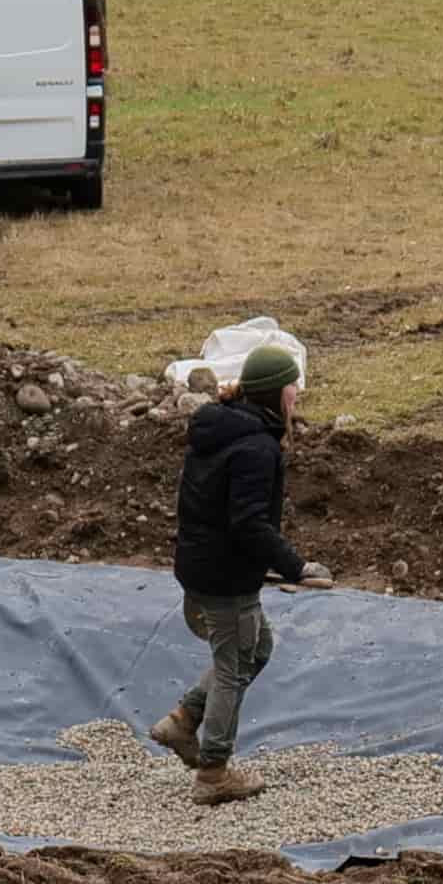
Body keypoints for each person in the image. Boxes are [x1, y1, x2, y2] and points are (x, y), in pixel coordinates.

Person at [158, 336, 324, 803]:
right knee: (234, 667)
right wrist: (296, 565)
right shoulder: (256, 447)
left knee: (258, 648)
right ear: (274, 393)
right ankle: (213, 773)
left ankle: (184, 721)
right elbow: (249, 523)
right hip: (226, 577)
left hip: (201, 564)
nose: (298, 397)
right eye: (293, 388)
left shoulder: (218, 428)